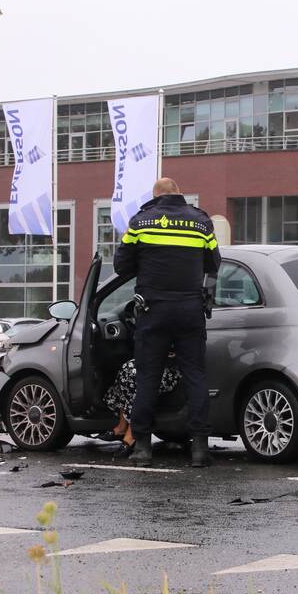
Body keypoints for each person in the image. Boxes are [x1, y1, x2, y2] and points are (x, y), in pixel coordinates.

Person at [113, 177, 220, 467]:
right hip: (189, 309)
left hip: (153, 309)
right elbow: (213, 263)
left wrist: (147, 266)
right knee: (196, 376)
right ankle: (199, 450)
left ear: (155, 196)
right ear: (179, 194)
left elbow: (120, 265)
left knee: (147, 377)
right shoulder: (201, 222)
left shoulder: (141, 222)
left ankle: (144, 449)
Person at [101, 356, 182, 455]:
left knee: (138, 377)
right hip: (151, 359)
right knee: (126, 368)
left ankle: (132, 432)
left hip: (168, 366)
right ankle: (122, 426)